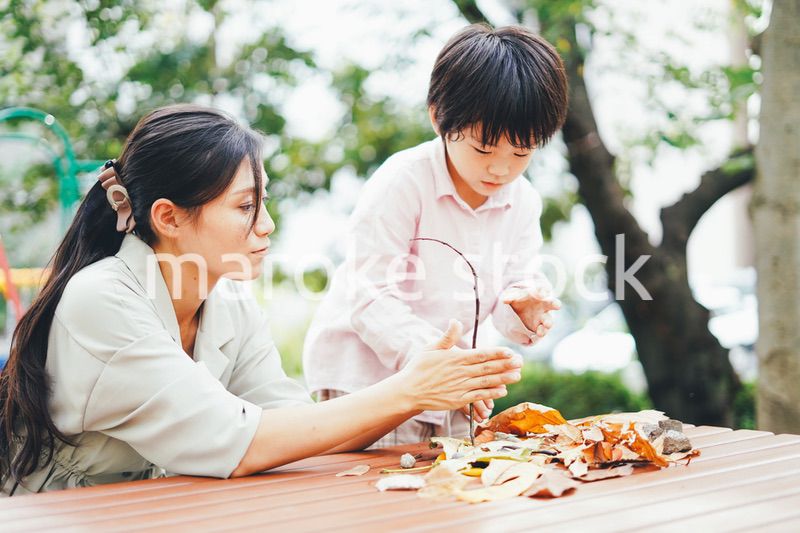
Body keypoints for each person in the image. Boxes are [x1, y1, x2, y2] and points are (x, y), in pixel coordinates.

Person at [0, 104, 522, 495]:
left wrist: (430, 383)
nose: (266, 225)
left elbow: (297, 425)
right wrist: (409, 391)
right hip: (62, 516)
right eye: (246, 205)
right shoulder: (103, 300)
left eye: (264, 201)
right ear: (168, 218)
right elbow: (244, 443)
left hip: (158, 508)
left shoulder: (228, 302)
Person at [302, 23, 568, 446]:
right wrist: (445, 362)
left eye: (521, 152)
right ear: (439, 118)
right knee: (371, 499)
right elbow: (369, 295)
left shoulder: (524, 201)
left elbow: (512, 288)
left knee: (453, 494)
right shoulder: (402, 183)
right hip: (366, 382)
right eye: (483, 149)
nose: (500, 169)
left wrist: (524, 308)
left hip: (451, 383)